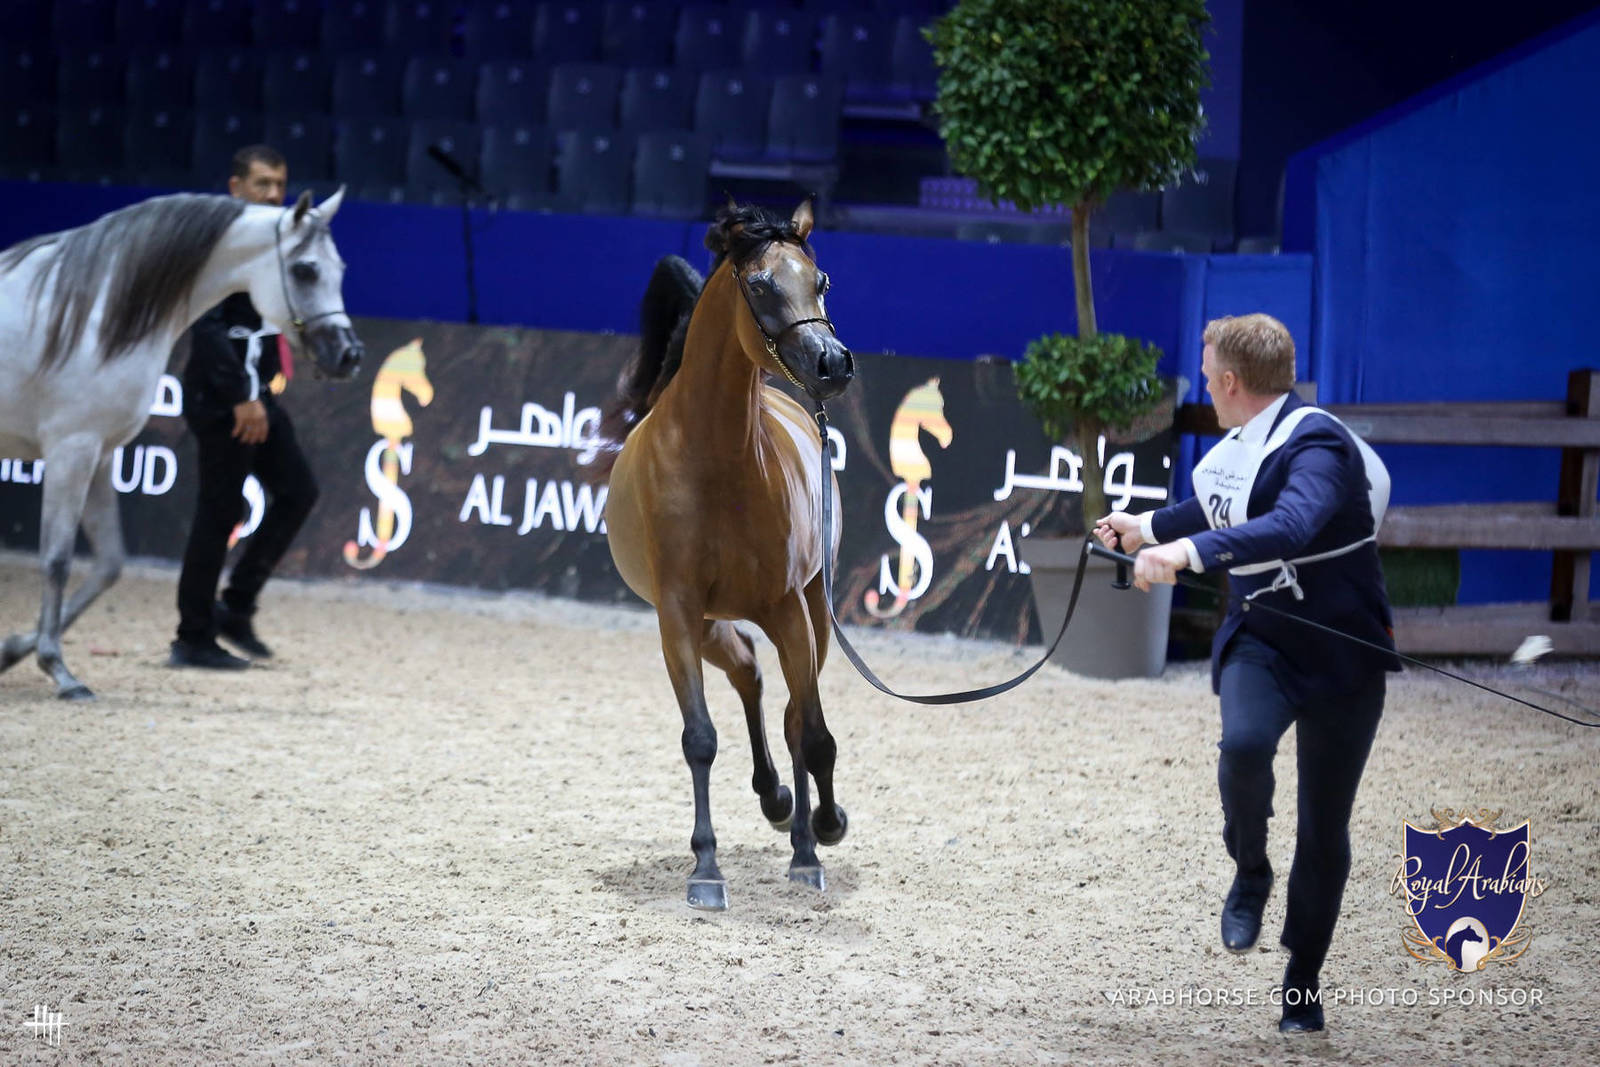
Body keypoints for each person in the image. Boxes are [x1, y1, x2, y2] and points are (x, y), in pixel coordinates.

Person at [1095, 313, 1399, 1034]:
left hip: (1342, 656)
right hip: (1263, 636)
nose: (1205, 385)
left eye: (1207, 377)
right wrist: (1151, 528)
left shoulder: (1320, 446)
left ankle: (1302, 980)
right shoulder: (1251, 442)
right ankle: (1251, 866)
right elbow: (1229, 503)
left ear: (1230, 383)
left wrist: (1185, 555)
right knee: (1242, 747)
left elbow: (1290, 524)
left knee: (1325, 828)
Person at [169, 145, 319, 670]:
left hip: (260, 393)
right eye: (262, 184)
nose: (274, 194)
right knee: (219, 512)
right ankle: (192, 635)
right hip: (221, 398)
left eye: (280, 183)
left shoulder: (277, 242)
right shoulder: (214, 243)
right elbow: (206, 327)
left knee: (299, 491)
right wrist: (241, 398)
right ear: (235, 188)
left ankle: (235, 606)